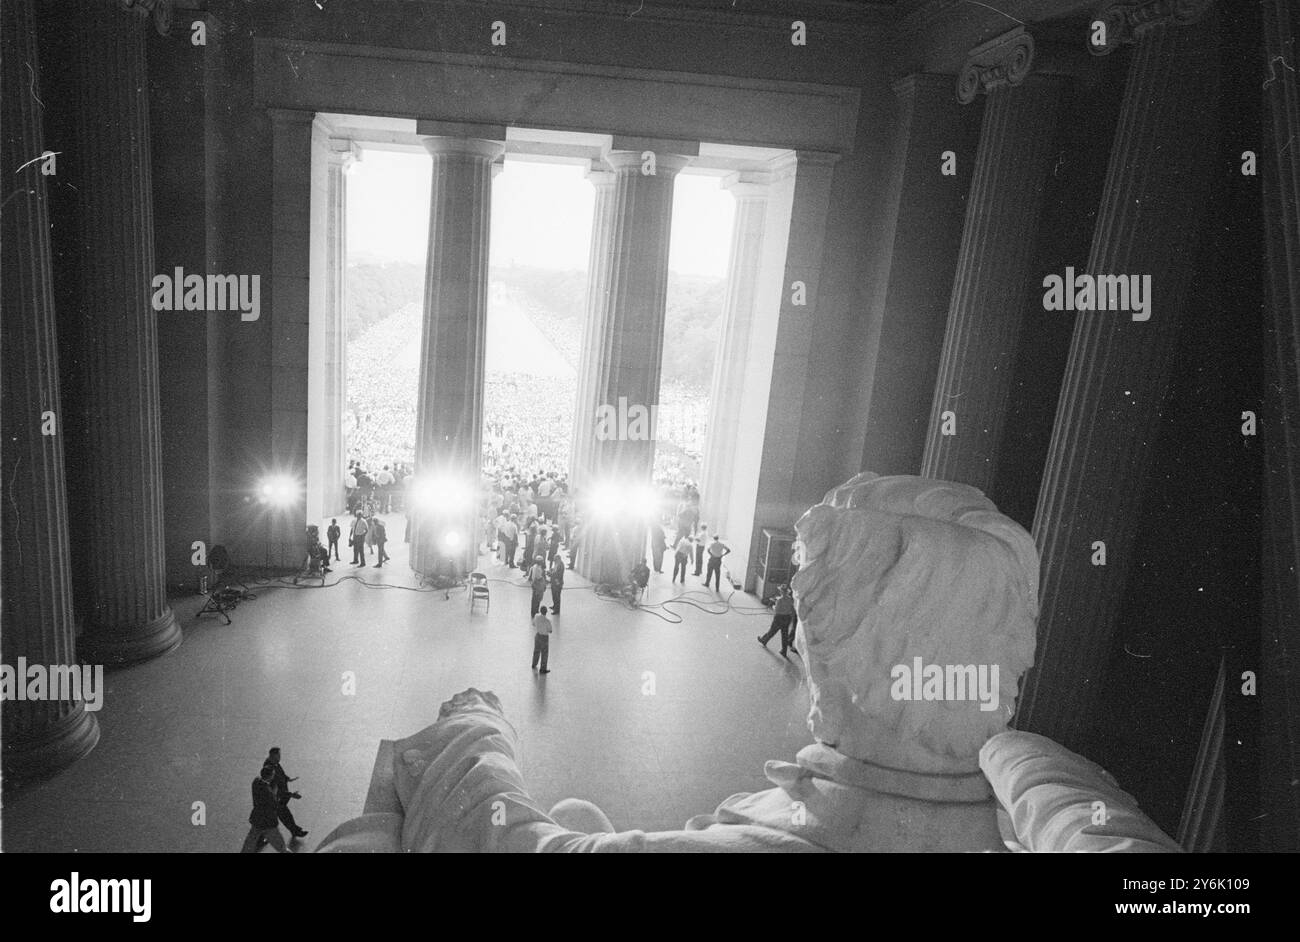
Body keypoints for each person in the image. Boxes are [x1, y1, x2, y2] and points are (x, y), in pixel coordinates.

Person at [239, 764, 289, 853]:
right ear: (270, 776)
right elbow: (274, 804)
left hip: (257, 820)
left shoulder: (256, 782)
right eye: (273, 774)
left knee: (248, 847)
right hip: (268, 824)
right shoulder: (268, 792)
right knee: (282, 848)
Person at [265, 746, 308, 839]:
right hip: (277, 799)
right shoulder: (270, 769)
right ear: (274, 755)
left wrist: (288, 779)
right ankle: (295, 831)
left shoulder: (275, 763)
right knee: (284, 816)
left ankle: (295, 830)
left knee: (280, 817)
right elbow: (276, 790)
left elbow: (281, 773)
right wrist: (291, 794)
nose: (280, 757)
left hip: (280, 798)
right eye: (278, 755)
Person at [757, 584, 797, 657]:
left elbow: (777, 610)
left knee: (772, 631)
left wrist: (773, 606)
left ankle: (764, 640)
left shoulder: (779, 600)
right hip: (787, 618)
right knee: (784, 635)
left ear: (781, 592)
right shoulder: (790, 599)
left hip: (779, 618)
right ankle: (784, 651)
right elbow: (791, 609)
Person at [531, 606, 553, 674]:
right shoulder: (547, 621)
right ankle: (543, 669)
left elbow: (533, 624)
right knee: (544, 653)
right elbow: (550, 631)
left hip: (537, 636)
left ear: (540, 611)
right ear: (546, 612)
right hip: (544, 638)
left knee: (536, 651)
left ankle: (534, 664)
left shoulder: (536, 617)